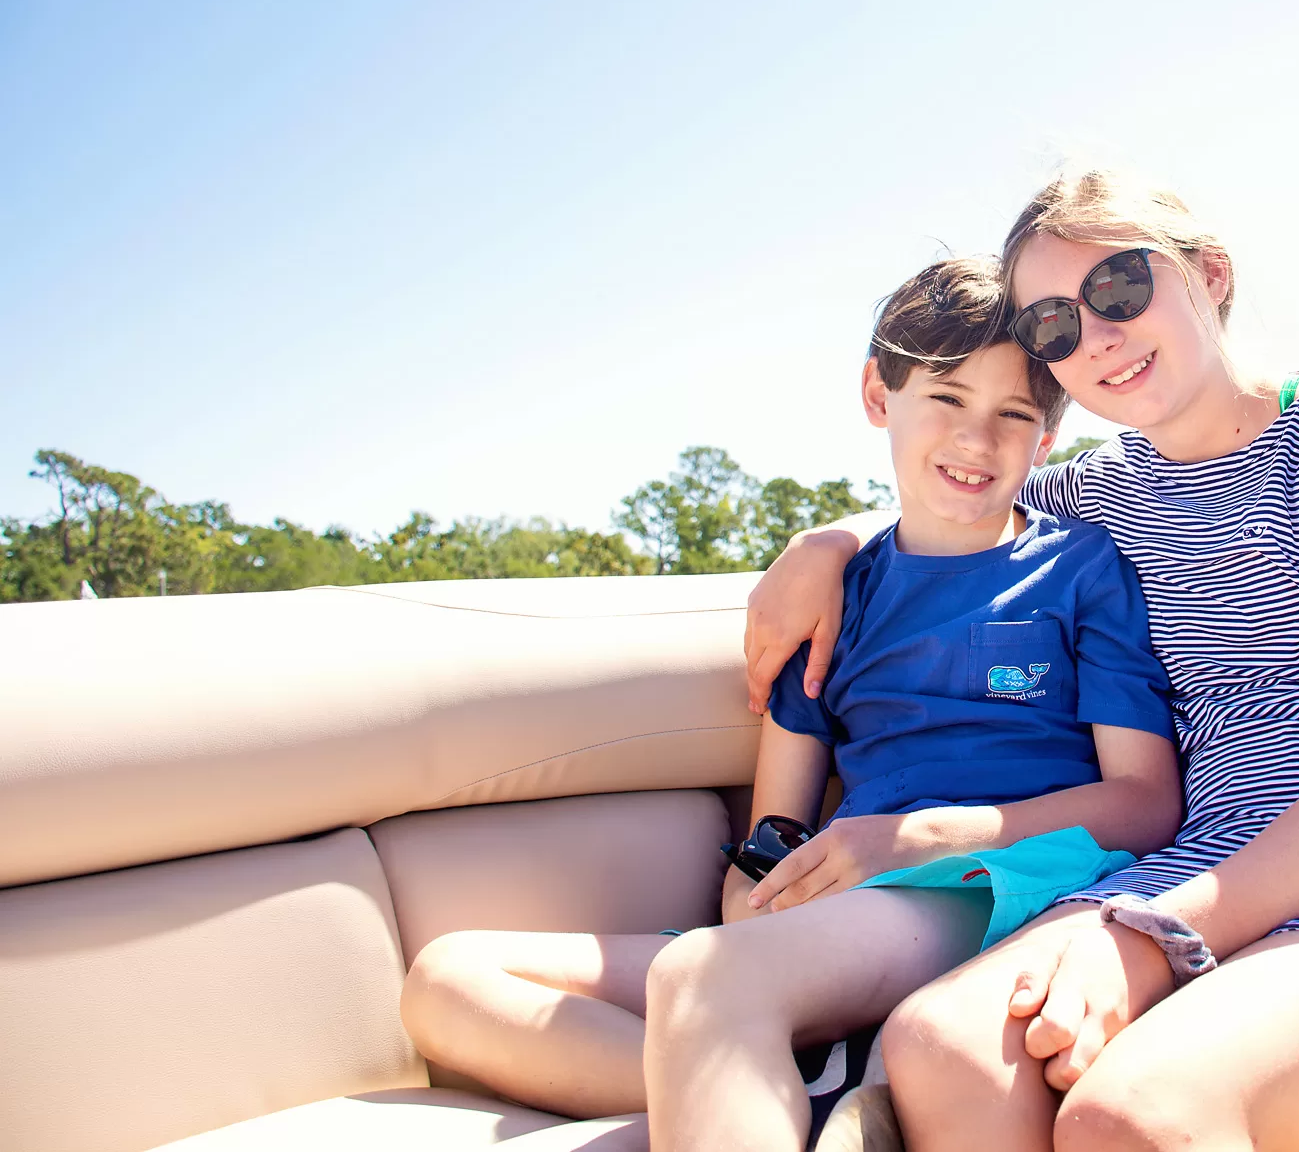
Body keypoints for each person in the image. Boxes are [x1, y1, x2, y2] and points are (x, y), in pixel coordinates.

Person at [743, 172, 1299, 1152]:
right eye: (1051, 325)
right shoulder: (1092, 500)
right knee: (941, 1048)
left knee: (1132, 1113)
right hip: (1203, 852)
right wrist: (820, 546)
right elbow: (950, 500)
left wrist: (1145, 932)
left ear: (1208, 276)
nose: (1095, 336)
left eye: (1121, 290)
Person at [400, 256, 1181, 1152]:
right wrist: (754, 889)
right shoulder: (834, 595)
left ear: (1045, 440)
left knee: (706, 976)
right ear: (877, 396)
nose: (978, 439)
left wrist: (925, 836)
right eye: (948, 399)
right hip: (835, 909)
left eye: (1015, 415)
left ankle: (748, 1053)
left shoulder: (1082, 571)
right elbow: (775, 826)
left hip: (996, 887)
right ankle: (782, 1084)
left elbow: (1146, 803)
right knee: (448, 977)